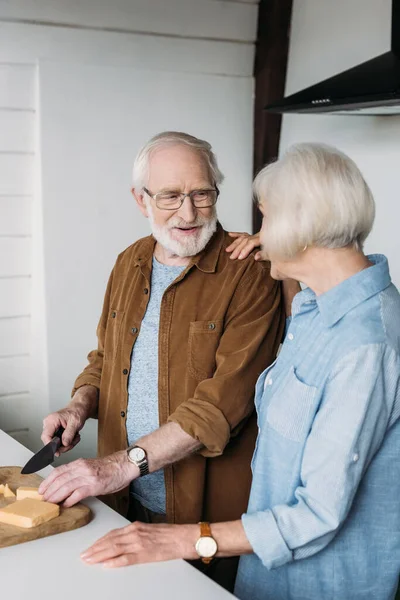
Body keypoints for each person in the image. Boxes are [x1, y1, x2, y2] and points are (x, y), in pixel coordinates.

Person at [80, 143, 400, 600]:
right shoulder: (312, 309)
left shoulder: (366, 343)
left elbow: (317, 513)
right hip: (266, 576)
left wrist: (185, 538)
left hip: (319, 585)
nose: (256, 235)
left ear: (302, 226)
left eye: (267, 219)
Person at [38, 131, 292, 591]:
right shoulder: (129, 260)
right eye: (171, 196)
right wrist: (79, 405)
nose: (189, 213)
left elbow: (219, 408)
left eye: (202, 194)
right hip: (118, 502)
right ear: (141, 199)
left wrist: (119, 464)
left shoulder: (250, 272)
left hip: (201, 520)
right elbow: (105, 359)